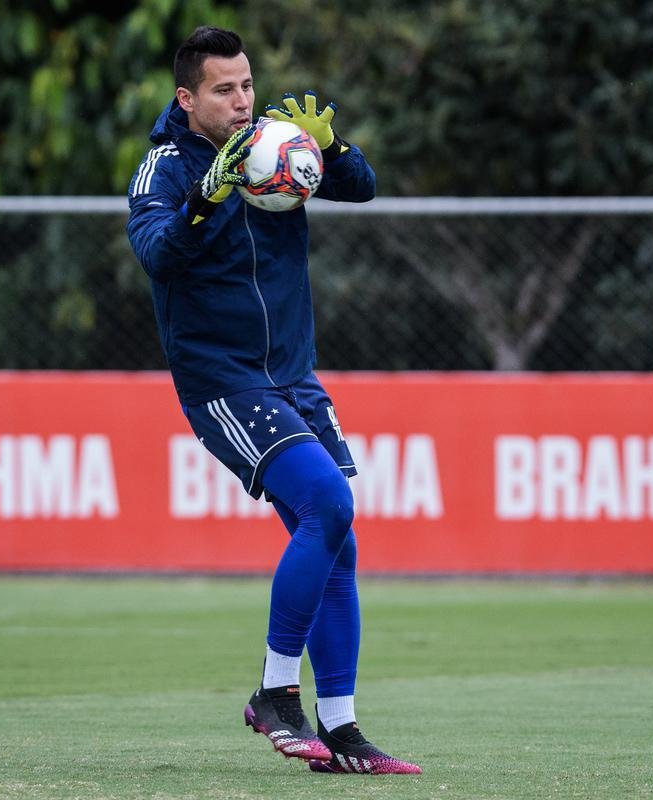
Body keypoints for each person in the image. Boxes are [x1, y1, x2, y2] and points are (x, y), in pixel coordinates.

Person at [126, 25, 421, 776]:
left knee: (339, 542)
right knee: (329, 505)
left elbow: (362, 187)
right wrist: (208, 193)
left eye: (248, 84)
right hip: (222, 380)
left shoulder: (272, 145)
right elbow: (159, 255)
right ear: (187, 97)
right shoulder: (164, 167)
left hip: (295, 375)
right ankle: (274, 693)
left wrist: (335, 147)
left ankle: (342, 732)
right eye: (224, 90)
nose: (241, 101)